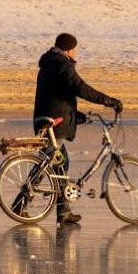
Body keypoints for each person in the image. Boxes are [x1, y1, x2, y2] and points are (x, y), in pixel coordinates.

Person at [31, 32, 122, 225]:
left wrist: (74, 114)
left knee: (58, 163)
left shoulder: (49, 64)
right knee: (49, 164)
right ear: (68, 49)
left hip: (45, 119)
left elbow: (58, 94)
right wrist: (108, 101)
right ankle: (22, 202)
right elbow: (79, 87)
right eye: (74, 50)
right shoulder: (61, 64)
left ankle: (63, 212)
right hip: (54, 122)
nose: (75, 53)